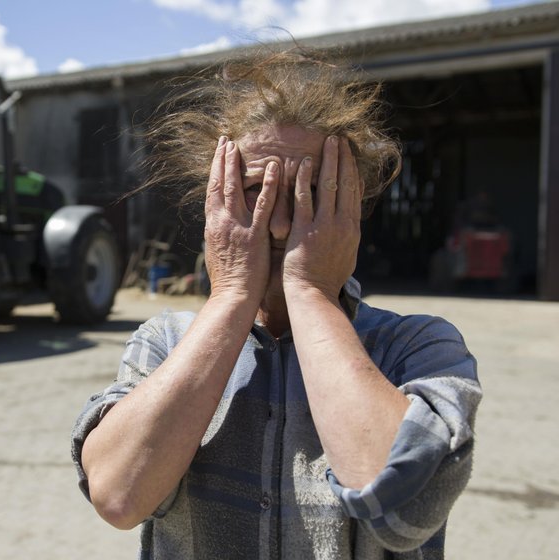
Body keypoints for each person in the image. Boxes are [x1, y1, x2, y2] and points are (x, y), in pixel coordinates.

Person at [71, 49, 482, 559]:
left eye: (312, 192)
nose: (283, 223)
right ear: (215, 204)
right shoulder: (165, 342)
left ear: (351, 208)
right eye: (253, 191)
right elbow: (117, 496)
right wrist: (232, 295)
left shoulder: (418, 345)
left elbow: (405, 514)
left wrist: (309, 291)